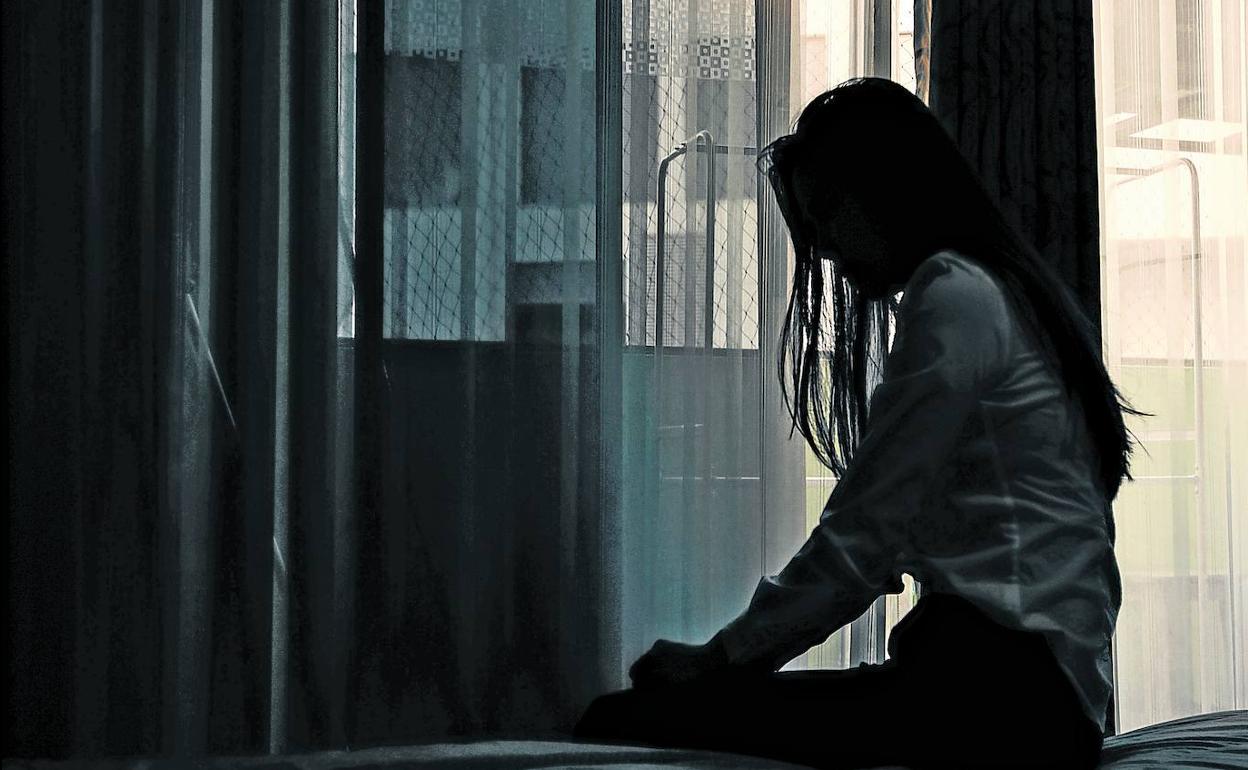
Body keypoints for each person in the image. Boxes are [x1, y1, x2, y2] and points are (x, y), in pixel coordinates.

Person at [573, 77, 1144, 769]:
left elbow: (865, 534)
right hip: (1032, 693)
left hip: (1004, 692)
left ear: (887, 192)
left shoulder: (957, 294)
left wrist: (720, 660)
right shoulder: (1007, 297)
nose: (820, 247)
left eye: (826, 213)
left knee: (618, 720)